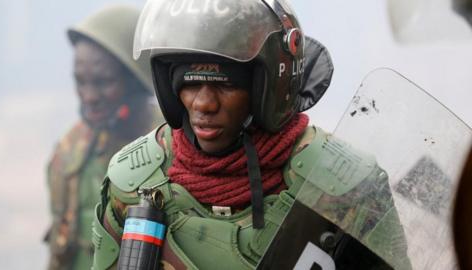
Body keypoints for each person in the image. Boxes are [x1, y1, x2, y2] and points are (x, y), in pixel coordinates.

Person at [92, 0, 409, 269]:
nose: (203, 103)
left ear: (268, 90)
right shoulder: (133, 181)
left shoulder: (343, 185)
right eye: (188, 83)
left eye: (226, 84)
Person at [44, 5, 162, 270]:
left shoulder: (177, 149)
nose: (88, 96)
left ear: (137, 79)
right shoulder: (69, 155)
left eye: (103, 82)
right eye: (80, 82)